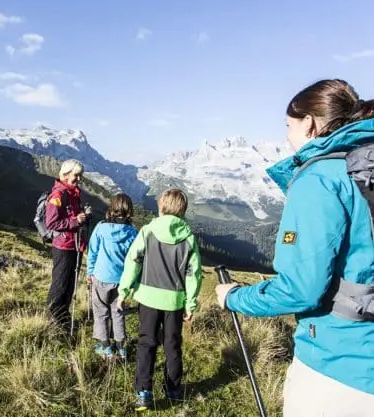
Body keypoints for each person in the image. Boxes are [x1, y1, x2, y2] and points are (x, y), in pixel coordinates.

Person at [215, 79, 374, 416]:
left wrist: (233, 297)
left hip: (337, 363)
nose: (286, 135)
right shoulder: (365, 171)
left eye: (288, 125)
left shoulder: (320, 178)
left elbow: (301, 289)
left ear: (309, 123)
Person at [117, 188, 203, 411]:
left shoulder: (148, 230)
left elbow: (133, 261)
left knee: (147, 343)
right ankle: (173, 389)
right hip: (175, 302)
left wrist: (124, 291)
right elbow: (194, 274)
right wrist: (190, 303)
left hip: (148, 298)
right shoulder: (188, 238)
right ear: (183, 210)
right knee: (172, 345)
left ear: (161, 206)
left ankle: (144, 392)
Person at [86, 193, 138, 360]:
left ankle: (105, 347)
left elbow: (92, 251)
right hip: (121, 281)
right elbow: (135, 259)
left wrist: (90, 272)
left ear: (112, 208)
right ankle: (121, 348)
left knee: (101, 313)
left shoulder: (101, 227)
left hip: (100, 278)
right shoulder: (132, 233)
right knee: (118, 313)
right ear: (129, 210)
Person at [45, 159, 90, 332]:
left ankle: (62, 318)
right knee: (60, 284)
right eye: (76, 176)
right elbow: (51, 223)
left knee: (70, 285)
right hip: (63, 247)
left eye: (80, 176)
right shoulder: (58, 195)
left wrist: (84, 216)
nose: (79, 179)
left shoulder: (73, 194)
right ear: (65, 175)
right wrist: (74, 221)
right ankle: (53, 320)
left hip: (74, 246)